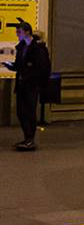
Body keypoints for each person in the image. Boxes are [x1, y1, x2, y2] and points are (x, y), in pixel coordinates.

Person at [5, 19, 50, 151]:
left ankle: (30, 139)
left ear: (27, 32)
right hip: (21, 84)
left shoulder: (38, 49)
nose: (17, 34)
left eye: (19, 32)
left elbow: (42, 68)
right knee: (20, 112)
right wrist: (11, 66)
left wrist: (31, 76)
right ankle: (27, 138)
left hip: (32, 85)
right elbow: (20, 66)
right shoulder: (21, 47)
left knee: (29, 111)